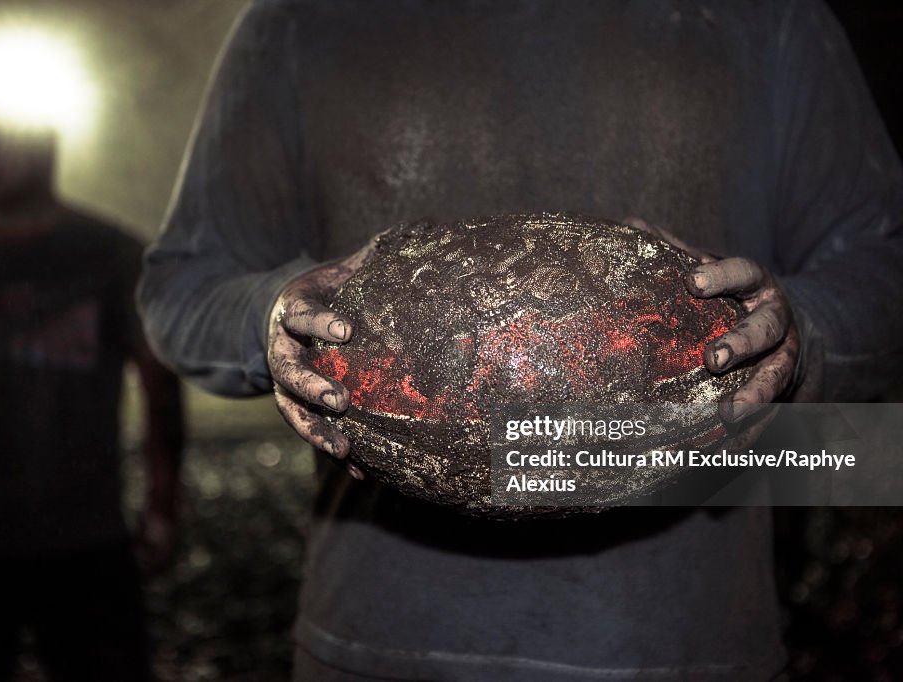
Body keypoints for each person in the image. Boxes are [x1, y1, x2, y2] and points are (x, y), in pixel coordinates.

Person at [138, 1, 903, 680]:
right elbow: (182, 284)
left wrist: (798, 327)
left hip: (680, 643)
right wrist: (267, 313)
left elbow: (884, 266)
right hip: (381, 642)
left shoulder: (762, 19)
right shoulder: (302, 22)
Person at [0, 106, 185, 681]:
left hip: (81, 543)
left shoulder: (115, 258)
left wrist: (162, 503)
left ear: (43, 145)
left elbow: (160, 385)